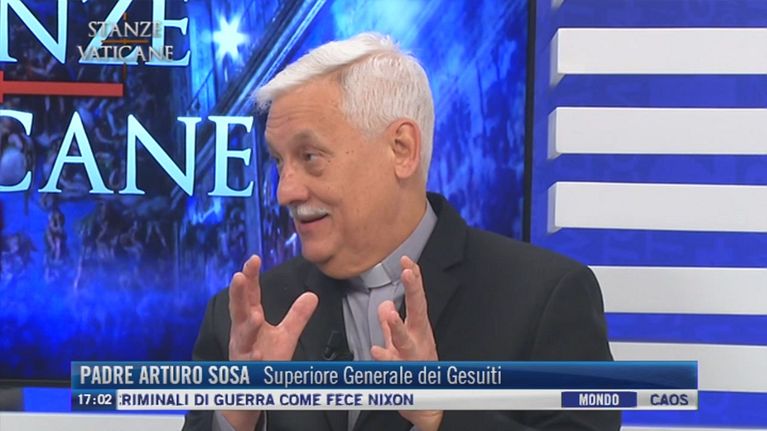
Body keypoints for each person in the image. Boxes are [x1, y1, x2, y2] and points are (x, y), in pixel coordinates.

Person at [182, 32, 620, 431]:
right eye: (279, 162)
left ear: (402, 149)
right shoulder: (245, 317)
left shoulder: (546, 297)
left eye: (310, 156)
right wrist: (237, 415)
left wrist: (439, 414)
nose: (285, 191)